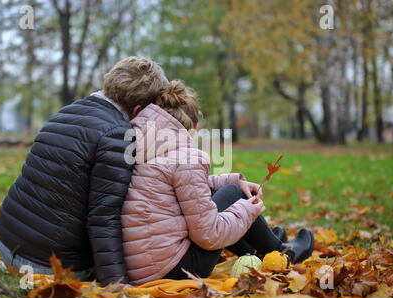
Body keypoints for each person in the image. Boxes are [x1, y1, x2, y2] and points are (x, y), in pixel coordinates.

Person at [0, 57, 169, 286]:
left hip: (7, 242)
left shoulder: (67, 111)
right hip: (45, 265)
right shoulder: (119, 134)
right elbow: (104, 219)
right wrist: (117, 285)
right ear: (138, 110)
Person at [121, 80, 314, 285]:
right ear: (193, 127)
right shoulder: (187, 158)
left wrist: (233, 179)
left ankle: (256, 250)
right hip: (177, 269)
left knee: (231, 190)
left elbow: (183, 188)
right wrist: (247, 210)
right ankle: (282, 253)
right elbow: (209, 235)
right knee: (233, 196)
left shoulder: (144, 146)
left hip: (143, 268)